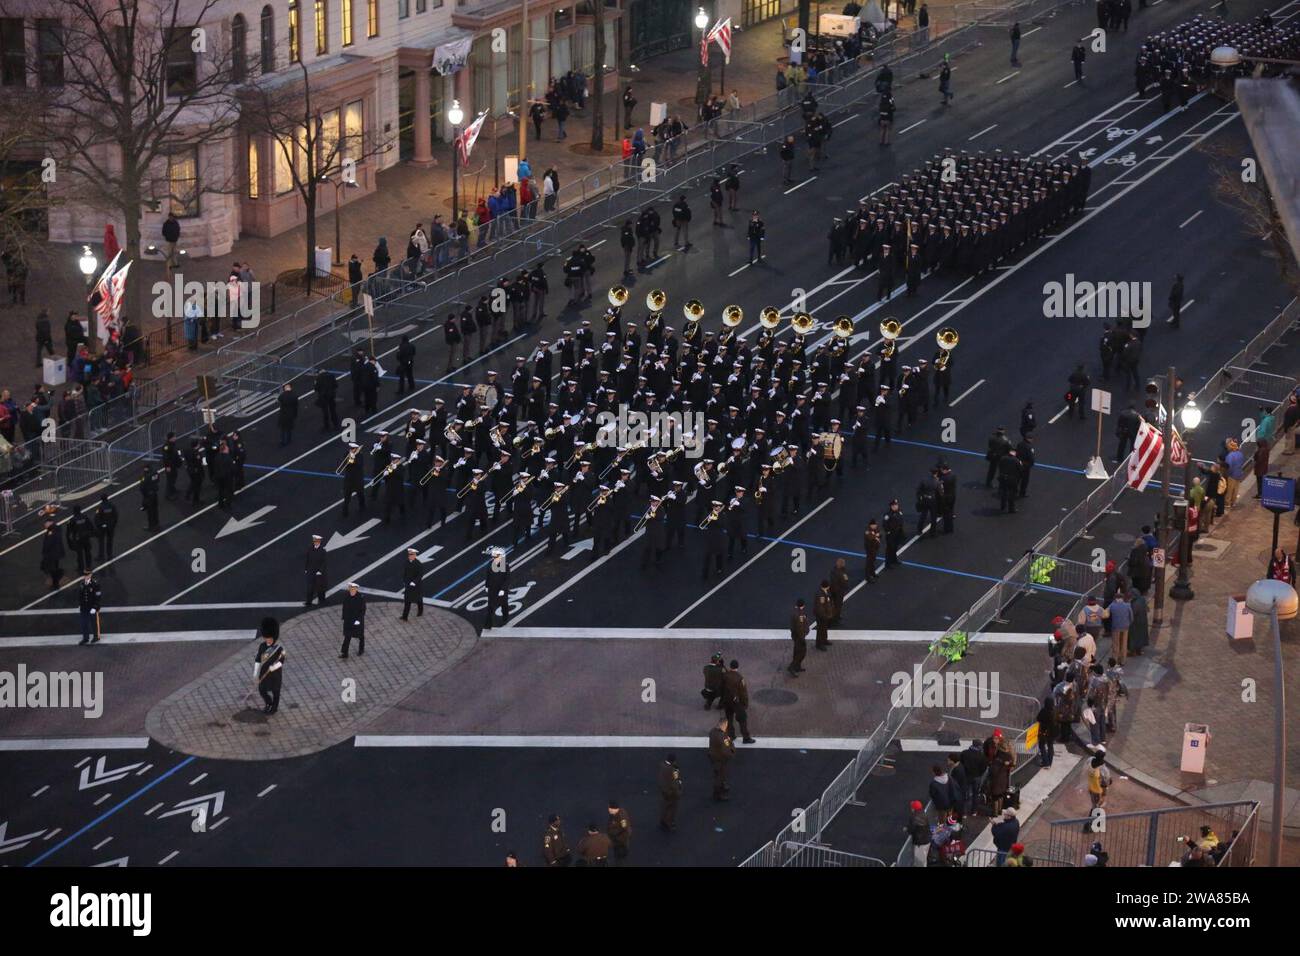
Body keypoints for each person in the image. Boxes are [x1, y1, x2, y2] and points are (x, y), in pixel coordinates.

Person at [721, 660, 754, 743]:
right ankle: (746, 737)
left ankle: (731, 735)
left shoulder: (725, 675)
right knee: (742, 719)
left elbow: (721, 687)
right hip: (737, 702)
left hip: (727, 701)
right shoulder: (740, 678)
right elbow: (743, 693)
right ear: (737, 667)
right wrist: (745, 703)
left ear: (730, 666)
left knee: (729, 718)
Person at [708, 714, 735, 801]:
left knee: (719, 774)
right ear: (724, 724)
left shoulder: (712, 732)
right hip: (720, 759)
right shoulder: (722, 736)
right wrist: (731, 754)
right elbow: (726, 749)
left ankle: (722, 785)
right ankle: (717, 795)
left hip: (714, 757)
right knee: (719, 776)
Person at [340, 582, 366, 658]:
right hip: (348, 620)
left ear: (356, 589)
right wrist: (344, 617)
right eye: (350, 588)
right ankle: (345, 653)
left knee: (360, 636)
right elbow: (344, 607)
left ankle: (361, 649)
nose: (352, 590)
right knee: (347, 637)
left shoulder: (360, 598)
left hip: (356, 621)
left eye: (353, 589)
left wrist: (358, 620)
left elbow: (362, 610)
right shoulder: (347, 596)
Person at [658, 753, 683, 831]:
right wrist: (678, 792)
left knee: (665, 805)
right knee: (672, 808)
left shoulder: (662, 765)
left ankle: (663, 820)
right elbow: (675, 783)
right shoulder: (673, 770)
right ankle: (669, 823)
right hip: (671, 792)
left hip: (664, 790)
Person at [77, 569, 103, 645]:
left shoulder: (95, 584)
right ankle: (85, 638)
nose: (85, 576)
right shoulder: (82, 583)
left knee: (94, 623)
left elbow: (98, 597)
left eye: (87, 575)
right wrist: (80, 605)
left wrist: (95, 607)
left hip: (92, 606)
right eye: (84, 575)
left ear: (90, 575)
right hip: (84, 607)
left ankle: (96, 637)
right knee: (84, 623)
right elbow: (80, 595)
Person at [400, 548, 425, 620]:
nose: (409, 556)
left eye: (411, 555)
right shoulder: (406, 562)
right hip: (408, 585)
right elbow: (404, 572)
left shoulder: (418, 564)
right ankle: (405, 616)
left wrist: (414, 582)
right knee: (407, 600)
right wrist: (404, 580)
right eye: (409, 554)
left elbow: (420, 575)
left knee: (418, 599)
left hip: (416, 586)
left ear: (414, 555)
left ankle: (420, 611)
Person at [304, 533, 328, 607]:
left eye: (317, 541)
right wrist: (306, 568)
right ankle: (308, 602)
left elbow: (324, 562)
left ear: (319, 542)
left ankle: (322, 600)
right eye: (314, 541)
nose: (315, 542)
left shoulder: (323, 551)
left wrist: (320, 571)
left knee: (320, 588)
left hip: (319, 573)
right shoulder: (310, 549)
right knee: (310, 588)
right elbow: (307, 559)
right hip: (311, 571)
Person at [906, 800, 931, 867]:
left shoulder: (914, 817)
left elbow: (911, 830)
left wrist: (907, 829)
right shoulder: (924, 813)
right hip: (927, 840)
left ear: (913, 808)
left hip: (920, 843)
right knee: (923, 860)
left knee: (920, 863)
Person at [93, 494, 118, 561]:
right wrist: (113, 525)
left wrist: (99, 526)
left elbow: (97, 518)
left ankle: (101, 556)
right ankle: (109, 555)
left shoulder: (100, 507)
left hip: (102, 528)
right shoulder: (112, 506)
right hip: (110, 527)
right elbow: (115, 516)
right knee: (109, 541)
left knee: (101, 542)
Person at [789, 598, 809, 676]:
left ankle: (797, 667)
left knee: (797, 651)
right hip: (800, 637)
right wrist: (802, 638)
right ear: (803, 605)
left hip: (796, 636)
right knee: (801, 653)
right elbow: (800, 627)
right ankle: (792, 667)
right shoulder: (800, 615)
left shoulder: (795, 612)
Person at [1036, 695, 1057, 767]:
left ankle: (1045, 762)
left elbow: (1038, 718)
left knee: (1041, 745)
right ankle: (1050, 762)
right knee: (1050, 746)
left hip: (1044, 732)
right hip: (1052, 733)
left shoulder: (1044, 711)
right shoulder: (1054, 711)